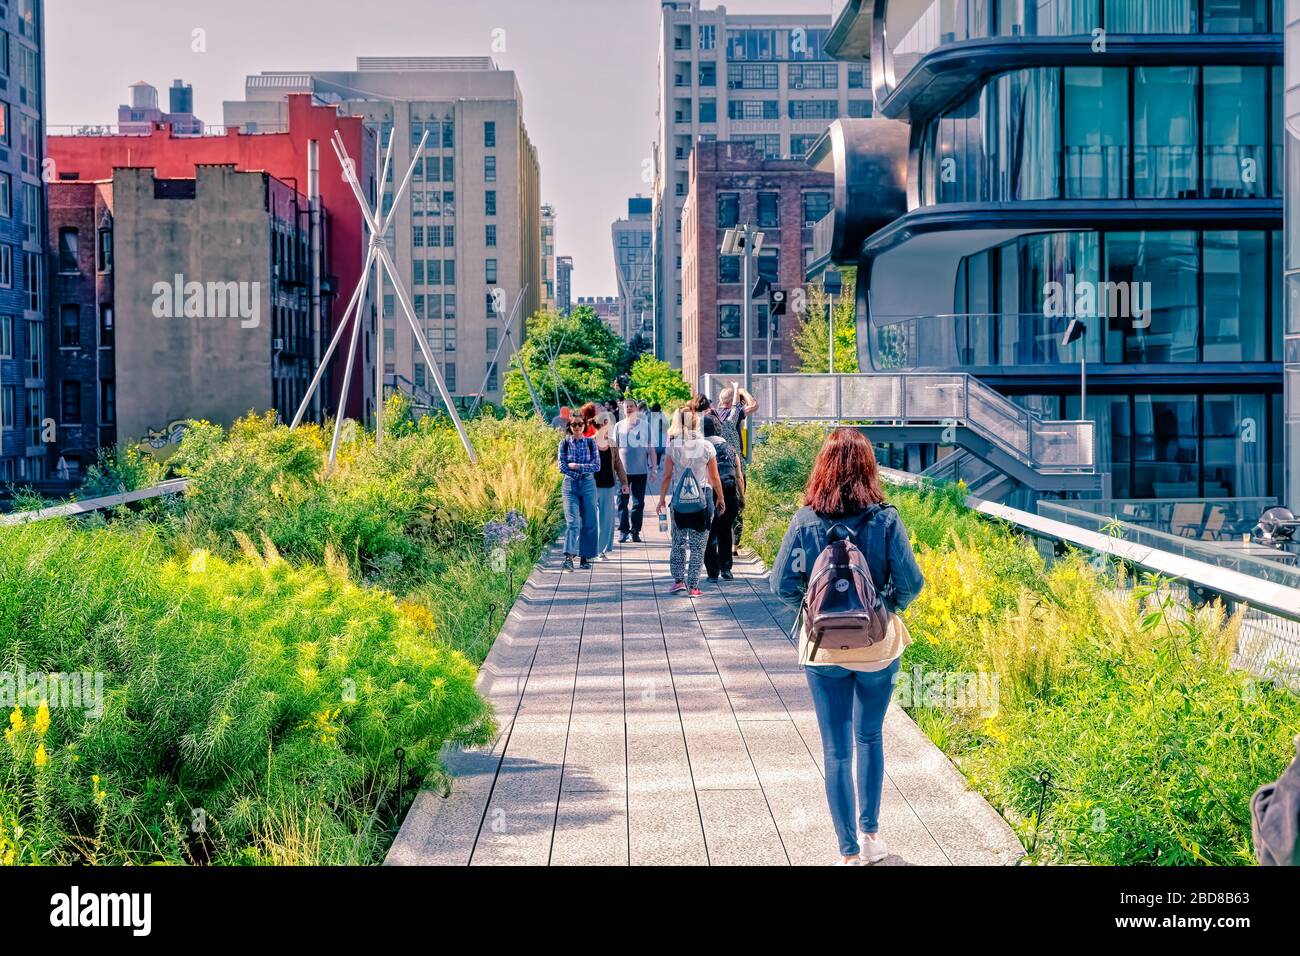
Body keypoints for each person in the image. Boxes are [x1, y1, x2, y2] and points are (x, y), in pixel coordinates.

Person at [770, 427, 925, 866]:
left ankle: (848, 854)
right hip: (876, 648)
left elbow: (780, 584)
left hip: (823, 653)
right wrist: (883, 606)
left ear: (822, 467)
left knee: (836, 749)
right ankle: (871, 835)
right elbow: (912, 582)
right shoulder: (885, 518)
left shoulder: (805, 521)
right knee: (870, 736)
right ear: (868, 467)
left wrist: (813, 611)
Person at [656, 407, 725, 597]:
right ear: (697, 422)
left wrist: (662, 499)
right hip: (702, 498)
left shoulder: (674, 446)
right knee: (698, 545)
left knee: (678, 541)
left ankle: (678, 581)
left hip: (679, 500)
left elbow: (667, 476)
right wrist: (720, 497)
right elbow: (715, 477)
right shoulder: (706, 446)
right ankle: (693, 586)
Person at [717, 384, 757, 554]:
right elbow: (754, 404)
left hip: (718, 466)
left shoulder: (716, 416)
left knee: (721, 503)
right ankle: (735, 544)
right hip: (736, 466)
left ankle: (719, 540)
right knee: (738, 503)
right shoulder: (735, 414)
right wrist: (742, 392)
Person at [702, 415, 741, 581]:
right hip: (730, 492)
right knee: (725, 531)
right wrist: (741, 496)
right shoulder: (730, 449)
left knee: (709, 532)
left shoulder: (701, 448)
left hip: (709, 493)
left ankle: (712, 573)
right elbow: (739, 476)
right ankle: (726, 568)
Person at [557, 417, 600, 571]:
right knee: (572, 521)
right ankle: (568, 557)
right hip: (570, 485)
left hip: (588, 484)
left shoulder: (590, 443)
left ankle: (585, 557)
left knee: (589, 521)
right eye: (574, 424)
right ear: (570, 426)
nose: (577, 427)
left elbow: (596, 466)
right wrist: (577, 472)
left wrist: (577, 466)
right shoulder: (564, 443)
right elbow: (562, 466)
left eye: (580, 424)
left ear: (584, 426)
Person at [613, 400, 657, 543]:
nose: (629, 409)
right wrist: (613, 467)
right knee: (622, 501)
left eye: (631, 406)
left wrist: (654, 468)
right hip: (623, 472)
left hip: (640, 471)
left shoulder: (645, 426)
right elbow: (614, 448)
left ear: (636, 408)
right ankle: (623, 531)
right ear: (623, 409)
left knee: (638, 503)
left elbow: (651, 449)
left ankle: (635, 531)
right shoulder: (618, 426)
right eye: (627, 407)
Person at [593, 409, 629, 559]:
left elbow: (618, 464)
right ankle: (591, 549)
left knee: (606, 520)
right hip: (592, 486)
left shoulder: (612, 443)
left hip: (608, 486)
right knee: (592, 519)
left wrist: (624, 482)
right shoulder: (590, 442)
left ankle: (601, 550)